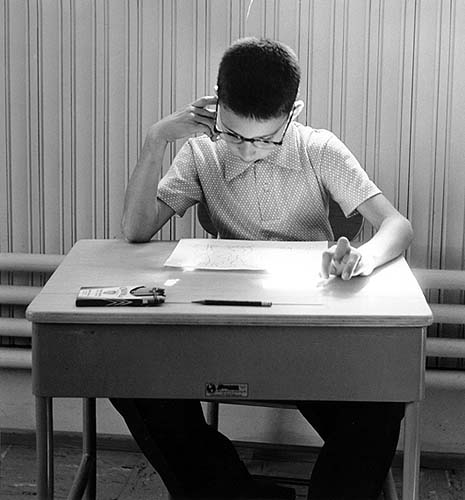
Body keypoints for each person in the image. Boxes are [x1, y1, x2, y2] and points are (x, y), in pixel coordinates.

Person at [112, 37, 413, 500]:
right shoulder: (202, 151)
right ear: (216, 106)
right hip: (225, 329)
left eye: (266, 139)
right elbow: (136, 229)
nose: (248, 150)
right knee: (128, 378)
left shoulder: (318, 149)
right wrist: (156, 139)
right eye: (234, 134)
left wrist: (363, 258)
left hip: (308, 334)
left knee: (381, 401)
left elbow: (396, 225)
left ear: (294, 112)